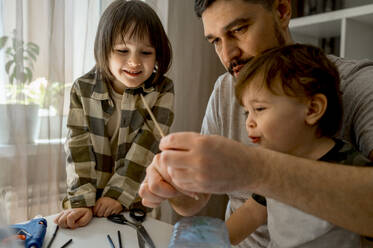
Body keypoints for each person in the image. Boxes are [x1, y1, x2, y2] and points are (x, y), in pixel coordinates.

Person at [139, 0, 373, 246]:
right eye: (216, 41)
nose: (228, 55)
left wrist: (255, 169)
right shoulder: (224, 89)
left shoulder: (358, 84)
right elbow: (193, 202)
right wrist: (177, 186)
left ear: (282, 11)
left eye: (239, 30)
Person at [228, 43, 370, 247]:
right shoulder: (271, 165)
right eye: (246, 112)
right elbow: (251, 213)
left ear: (312, 109)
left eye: (259, 108)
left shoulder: (351, 167)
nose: (248, 122)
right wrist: (212, 241)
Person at [54, 0, 174, 229]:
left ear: (157, 54)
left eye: (146, 52)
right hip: (89, 201)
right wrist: (81, 201)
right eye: (122, 50)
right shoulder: (83, 88)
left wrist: (118, 195)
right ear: (104, 50)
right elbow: (78, 146)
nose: (135, 62)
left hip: (134, 201)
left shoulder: (162, 90)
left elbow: (147, 147)